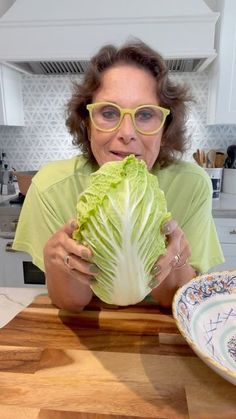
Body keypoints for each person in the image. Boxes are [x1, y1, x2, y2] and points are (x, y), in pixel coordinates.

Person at [13, 40, 224, 311]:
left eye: (146, 114)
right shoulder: (50, 186)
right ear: (87, 125)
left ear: (165, 128)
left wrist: (176, 261)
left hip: (161, 329)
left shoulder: (192, 185)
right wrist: (59, 267)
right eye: (109, 112)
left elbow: (179, 301)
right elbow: (72, 304)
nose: (127, 132)